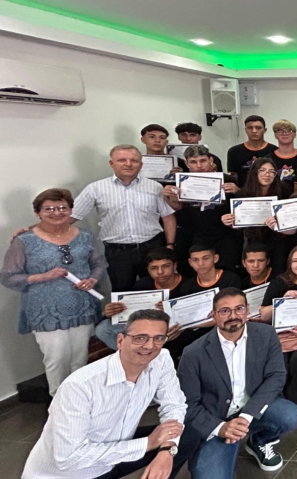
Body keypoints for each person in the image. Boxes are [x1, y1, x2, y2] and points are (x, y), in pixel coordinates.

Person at [21, 309, 192, 479]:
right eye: (140, 338)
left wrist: (167, 449)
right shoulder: (79, 386)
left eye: (158, 338)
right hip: (71, 473)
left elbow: (174, 405)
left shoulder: (161, 359)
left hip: (114, 456)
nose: (149, 346)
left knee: (187, 434)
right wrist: (148, 443)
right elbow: (68, 458)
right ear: (120, 340)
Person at [177, 288, 297, 475]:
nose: (233, 316)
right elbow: (188, 404)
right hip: (216, 419)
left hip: (251, 410)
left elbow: (276, 376)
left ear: (247, 310)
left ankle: (259, 441)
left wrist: (246, 416)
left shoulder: (266, 334)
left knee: (288, 415)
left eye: (239, 309)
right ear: (213, 315)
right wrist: (221, 428)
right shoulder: (193, 353)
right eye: (225, 311)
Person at [1, 188, 105, 395]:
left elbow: (99, 264)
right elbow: (8, 276)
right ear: (38, 213)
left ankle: (80, 399)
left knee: (79, 358)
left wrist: (93, 279)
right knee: (56, 358)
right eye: (49, 209)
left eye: (62, 208)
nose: (56, 212)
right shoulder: (24, 240)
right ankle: (58, 400)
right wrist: (42, 276)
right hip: (45, 310)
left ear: (70, 210)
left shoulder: (85, 236)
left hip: (82, 305)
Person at [71, 144, 176, 292]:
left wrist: (170, 245)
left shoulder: (155, 187)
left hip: (152, 248)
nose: (128, 164)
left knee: (157, 289)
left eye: (134, 160)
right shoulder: (95, 188)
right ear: (111, 163)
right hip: (118, 253)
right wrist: (41, 230)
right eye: (122, 160)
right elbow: (71, 215)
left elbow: (168, 217)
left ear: (141, 164)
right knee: (122, 292)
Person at [255, 245, 297, 411]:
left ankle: (296, 406)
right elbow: (264, 315)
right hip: (281, 335)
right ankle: (278, 403)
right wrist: (282, 301)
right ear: (289, 264)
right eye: (295, 261)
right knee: (280, 360)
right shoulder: (279, 282)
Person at [162, 145, 242, 273]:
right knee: (195, 272)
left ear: (211, 160)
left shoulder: (228, 180)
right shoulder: (181, 182)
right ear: (187, 163)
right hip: (194, 235)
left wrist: (238, 191)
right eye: (193, 162)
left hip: (224, 235)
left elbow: (240, 208)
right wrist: (168, 197)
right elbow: (177, 208)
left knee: (226, 271)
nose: (199, 166)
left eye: (203, 161)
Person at [95, 247, 187, 350]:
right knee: (103, 329)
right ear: (148, 269)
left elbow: (192, 318)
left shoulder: (188, 285)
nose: (160, 272)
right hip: (146, 323)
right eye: (154, 268)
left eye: (166, 266)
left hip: (174, 327)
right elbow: (132, 314)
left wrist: (171, 312)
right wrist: (112, 313)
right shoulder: (143, 283)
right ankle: (133, 354)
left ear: (175, 266)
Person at [222, 157, 294, 273]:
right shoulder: (243, 194)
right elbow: (239, 225)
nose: (267, 174)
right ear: (254, 172)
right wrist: (230, 222)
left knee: (278, 272)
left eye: (271, 171)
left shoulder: (285, 191)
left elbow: (291, 220)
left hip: (279, 241)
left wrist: (279, 222)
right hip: (253, 241)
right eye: (262, 170)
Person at [226, 115, 278, 185]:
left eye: (258, 128)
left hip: (269, 190)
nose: (254, 131)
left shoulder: (274, 150)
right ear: (245, 130)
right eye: (250, 128)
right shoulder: (234, 151)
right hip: (242, 190)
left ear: (265, 130)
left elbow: (276, 175)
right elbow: (234, 176)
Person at [262, 119, 297, 184]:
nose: (284, 133)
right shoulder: (267, 159)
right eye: (280, 131)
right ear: (275, 135)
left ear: (295, 134)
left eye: (289, 130)